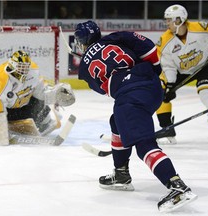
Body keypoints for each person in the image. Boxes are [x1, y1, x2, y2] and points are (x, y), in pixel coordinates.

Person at [73, 20, 197, 212]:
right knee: (117, 122)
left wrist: (88, 60)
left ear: (81, 42)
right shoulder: (115, 37)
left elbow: (106, 89)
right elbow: (148, 47)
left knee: (144, 145)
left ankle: (176, 186)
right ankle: (121, 173)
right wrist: (154, 71)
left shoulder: (83, 69)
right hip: (151, 84)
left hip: (130, 96)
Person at [0, 50, 75, 146]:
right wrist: (0, 132)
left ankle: (44, 123)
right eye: (21, 67)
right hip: (8, 113)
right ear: (12, 65)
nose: (24, 71)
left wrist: (55, 95)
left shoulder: (33, 70)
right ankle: (7, 128)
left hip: (24, 108)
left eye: (26, 67)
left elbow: (41, 92)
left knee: (39, 101)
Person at [155, 4, 208, 144]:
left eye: (169, 20)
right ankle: (166, 129)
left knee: (207, 94)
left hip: (204, 67)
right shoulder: (165, 40)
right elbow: (168, 66)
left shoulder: (201, 29)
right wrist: (169, 84)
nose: (167, 23)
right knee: (160, 92)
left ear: (179, 20)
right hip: (180, 71)